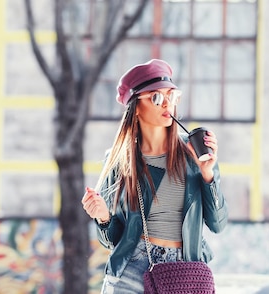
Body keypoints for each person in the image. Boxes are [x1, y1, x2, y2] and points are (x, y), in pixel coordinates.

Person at [81, 59, 228, 293]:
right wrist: (103, 217)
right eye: (157, 97)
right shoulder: (118, 160)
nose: (167, 104)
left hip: (184, 271)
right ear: (135, 106)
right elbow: (113, 239)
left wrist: (208, 174)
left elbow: (218, 224)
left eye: (172, 96)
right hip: (131, 269)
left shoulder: (195, 152)